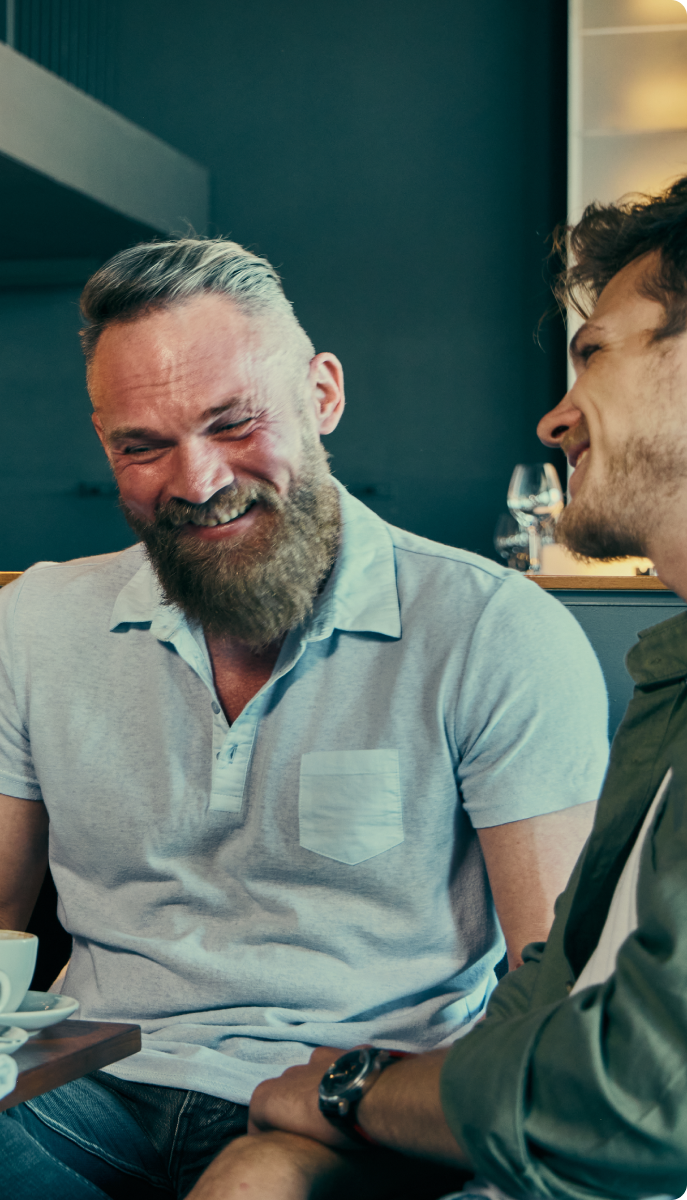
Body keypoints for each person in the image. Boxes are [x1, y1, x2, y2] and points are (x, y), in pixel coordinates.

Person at [0, 237, 608, 1200]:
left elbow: (555, 983)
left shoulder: (494, 630)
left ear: (322, 395)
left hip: (349, 1109)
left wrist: (371, 1108)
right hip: (83, 1085)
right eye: (144, 445)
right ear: (105, 444)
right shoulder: (32, 622)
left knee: (253, 1187)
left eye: (234, 423)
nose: (198, 480)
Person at [196, 179, 687, 1200]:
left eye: (594, 353)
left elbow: (634, 1101)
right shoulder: (672, 682)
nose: (556, 417)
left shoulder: (495, 630)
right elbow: (550, 989)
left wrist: (348, 1089)